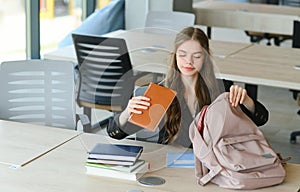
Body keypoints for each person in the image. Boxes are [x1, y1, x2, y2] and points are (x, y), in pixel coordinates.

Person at [107, 26, 269, 148]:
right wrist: (127, 112)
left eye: (196, 56)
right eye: (182, 55)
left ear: (205, 57)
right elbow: (115, 133)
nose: (189, 62)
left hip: (211, 163)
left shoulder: (221, 89)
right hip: (170, 166)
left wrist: (247, 100)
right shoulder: (160, 92)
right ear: (175, 56)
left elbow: (262, 118)